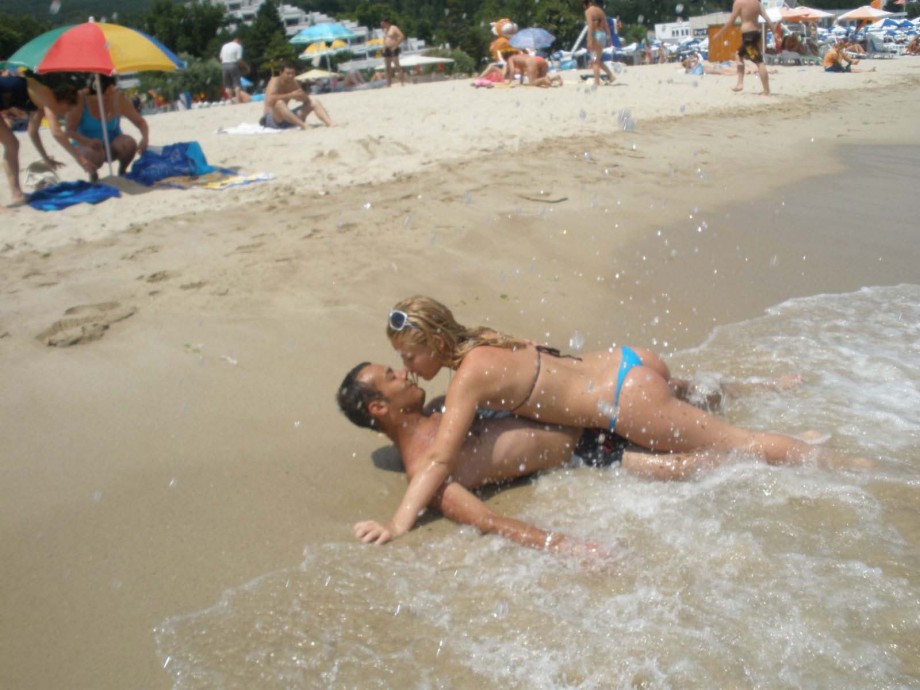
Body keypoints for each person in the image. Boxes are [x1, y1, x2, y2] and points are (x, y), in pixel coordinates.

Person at [355, 296, 865, 545]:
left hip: (627, 401)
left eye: (408, 355)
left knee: (742, 444)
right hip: (626, 361)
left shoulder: (467, 377)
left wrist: (399, 522)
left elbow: (442, 456)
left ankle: (848, 464)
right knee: (697, 402)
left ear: (436, 345)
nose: (407, 367)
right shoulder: (489, 340)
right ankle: (773, 398)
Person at [340, 362, 734, 554]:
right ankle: (777, 452)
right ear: (378, 408)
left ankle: (760, 388)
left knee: (682, 391)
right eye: (392, 377)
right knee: (696, 465)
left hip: (581, 408)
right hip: (590, 447)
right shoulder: (426, 469)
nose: (405, 374)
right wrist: (564, 546)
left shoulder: (447, 406)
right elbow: (488, 520)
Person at [1, 75, 95, 205]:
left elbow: (32, 132)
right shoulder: (48, 98)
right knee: (11, 144)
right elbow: (56, 132)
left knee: (12, 144)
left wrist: (46, 158)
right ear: (64, 101)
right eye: (67, 109)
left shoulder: (40, 102)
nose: (65, 113)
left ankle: (16, 194)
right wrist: (80, 159)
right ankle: (15, 194)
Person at [65, 75, 149, 178]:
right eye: (105, 95)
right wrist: (88, 141)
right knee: (90, 152)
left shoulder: (118, 98)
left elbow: (140, 122)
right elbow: (69, 131)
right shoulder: (80, 99)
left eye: (111, 93)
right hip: (87, 146)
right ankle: (94, 175)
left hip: (112, 145)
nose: (108, 98)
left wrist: (145, 138)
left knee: (128, 143)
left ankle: (122, 171)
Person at [712, 0, 775, 95]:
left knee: (758, 61)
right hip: (756, 34)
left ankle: (766, 91)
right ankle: (740, 83)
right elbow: (767, 18)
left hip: (748, 36)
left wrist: (719, 34)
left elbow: (731, 21)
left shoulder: (739, 2)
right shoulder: (756, 3)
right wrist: (775, 33)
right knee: (739, 55)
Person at [261, 62, 333, 130]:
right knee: (279, 103)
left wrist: (301, 96)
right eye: (288, 73)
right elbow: (269, 100)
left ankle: (330, 123)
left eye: (293, 73)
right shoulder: (275, 81)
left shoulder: (293, 82)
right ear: (281, 73)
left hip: (287, 118)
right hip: (272, 119)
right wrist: (291, 95)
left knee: (314, 102)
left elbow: (306, 100)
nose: (291, 76)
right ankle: (304, 126)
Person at [583, 0, 615, 86]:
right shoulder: (600, 10)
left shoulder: (588, 11)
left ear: (585, 4)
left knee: (595, 62)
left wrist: (588, 39)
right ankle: (610, 75)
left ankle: (596, 82)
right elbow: (606, 25)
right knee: (596, 60)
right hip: (602, 34)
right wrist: (609, 38)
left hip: (595, 35)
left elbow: (590, 26)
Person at [381, 19, 407, 87]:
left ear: (386, 23)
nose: (382, 25)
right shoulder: (385, 30)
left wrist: (395, 45)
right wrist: (383, 48)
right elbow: (385, 40)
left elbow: (401, 36)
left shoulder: (394, 28)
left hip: (393, 48)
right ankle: (389, 84)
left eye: (383, 24)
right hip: (387, 49)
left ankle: (402, 83)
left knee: (397, 66)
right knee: (387, 67)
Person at [219, 37, 245, 104]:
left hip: (224, 65)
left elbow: (221, 57)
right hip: (233, 64)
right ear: (239, 42)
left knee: (227, 85)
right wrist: (245, 66)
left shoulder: (224, 46)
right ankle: (238, 101)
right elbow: (239, 59)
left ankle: (231, 101)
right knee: (237, 84)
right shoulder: (238, 46)